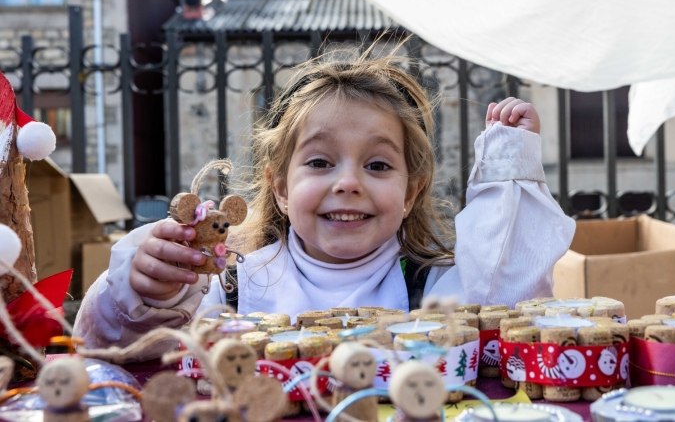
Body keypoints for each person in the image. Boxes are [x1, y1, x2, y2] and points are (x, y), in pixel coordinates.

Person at [74, 46, 575, 360]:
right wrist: (148, 291)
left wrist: (509, 169)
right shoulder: (226, 288)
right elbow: (113, 347)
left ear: (411, 193)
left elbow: (509, 305)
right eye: (319, 163)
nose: (348, 182)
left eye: (378, 166)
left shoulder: (438, 289)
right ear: (280, 188)